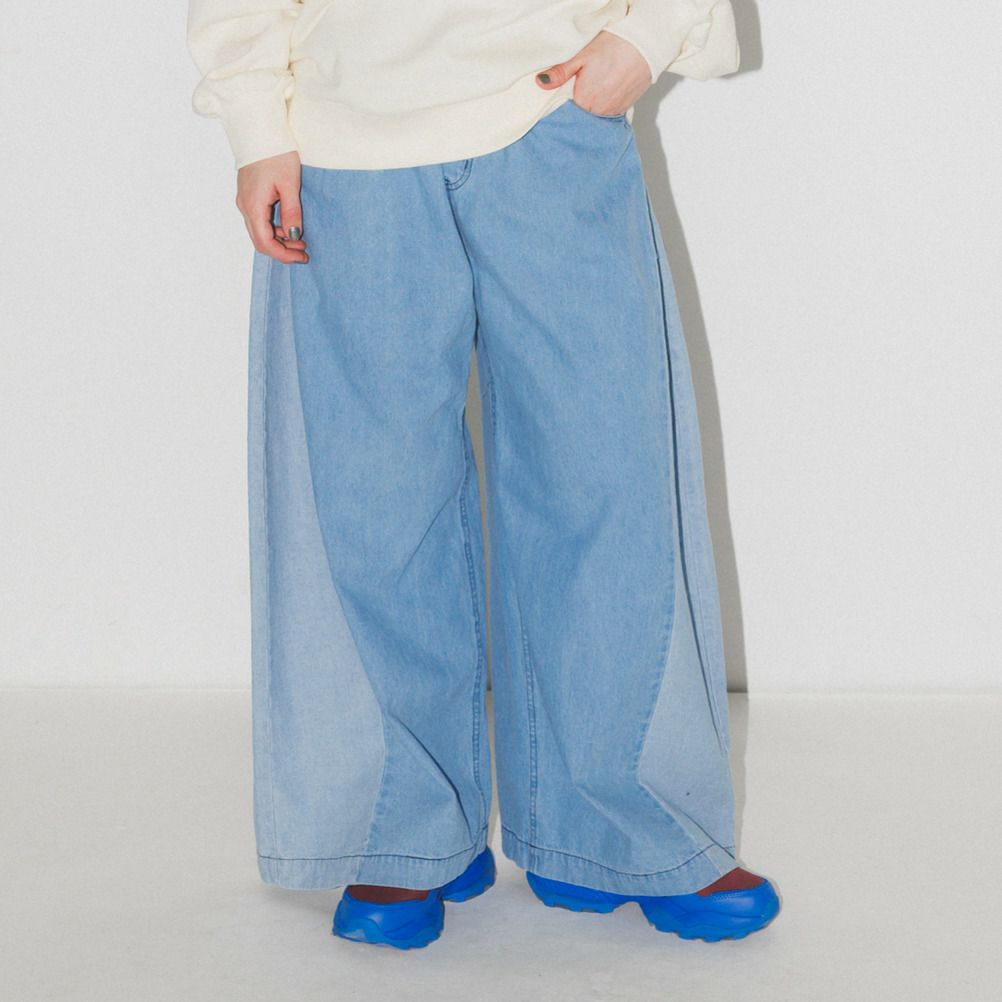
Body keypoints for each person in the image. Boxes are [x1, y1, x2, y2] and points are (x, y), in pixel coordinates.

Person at [186, 0, 781, 950]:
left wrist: (650, 33)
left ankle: (614, 827)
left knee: (605, 478)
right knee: (379, 501)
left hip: (551, 119)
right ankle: (408, 825)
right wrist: (257, 123)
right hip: (348, 142)